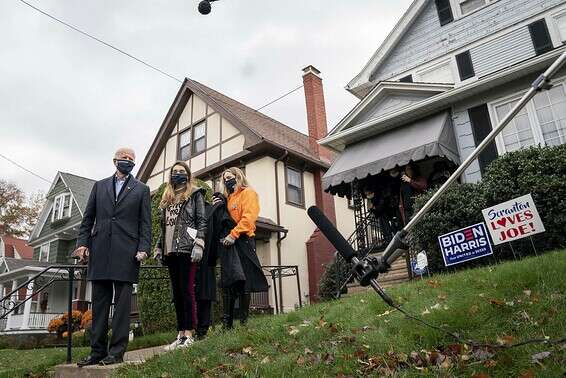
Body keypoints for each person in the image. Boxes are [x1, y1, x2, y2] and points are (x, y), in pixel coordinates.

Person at [74, 148, 151, 367]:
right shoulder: (99, 186)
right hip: (100, 251)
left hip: (127, 252)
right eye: (123, 157)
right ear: (114, 160)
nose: (127, 160)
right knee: (99, 305)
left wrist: (143, 247)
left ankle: (116, 352)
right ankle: (96, 352)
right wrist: (82, 244)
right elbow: (88, 219)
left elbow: (146, 223)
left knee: (122, 306)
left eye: (131, 159)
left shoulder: (141, 189)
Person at [153, 161, 207, 350]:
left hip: (186, 248)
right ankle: (180, 334)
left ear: (188, 174)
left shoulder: (195, 194)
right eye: (175, 171)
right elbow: (165, 226)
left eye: (181, 171)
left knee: (187, 291)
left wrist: (199, 243)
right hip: (171, 252)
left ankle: (189, 334)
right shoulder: (167, 198)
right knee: (176, 293)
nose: (178, 174)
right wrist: (159, 247)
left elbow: (201, 220)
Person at [212, 167, 268, 329]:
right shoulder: (228, 199)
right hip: (228, 244)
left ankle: (243, 322)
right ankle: (226, 324)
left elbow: (249, 218)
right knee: (228, 282)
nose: (227, 181)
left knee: (244, 281)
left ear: (238, 177)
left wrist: (233, 234)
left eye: (230, 177)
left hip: (243, 240)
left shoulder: (248, 193)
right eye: (224, 179)